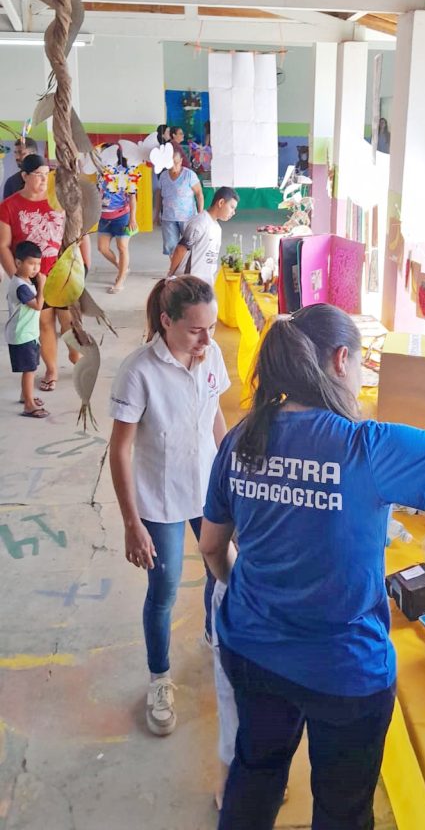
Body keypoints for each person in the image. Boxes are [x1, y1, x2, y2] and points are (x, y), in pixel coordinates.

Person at [200, 303, 425, 830]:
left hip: (253, 651)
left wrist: (257, 596)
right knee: (342, 808)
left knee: (254, 776)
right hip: (344, 671)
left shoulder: (242, 438)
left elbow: (212, 548)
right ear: (341, 360)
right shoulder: (365, 446)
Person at [109, 275, 230, 737]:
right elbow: (120, 450)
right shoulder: (139, 371)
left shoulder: (211, 355)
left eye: (213, 327)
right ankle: (160, 677)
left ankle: (215, 637)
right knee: (164, 589)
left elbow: (215, 414)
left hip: (207, 491)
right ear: (166, 321)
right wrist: (131, 522)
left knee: (222, 571)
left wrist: (230, 473)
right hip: (158, 500)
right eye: (196, 329)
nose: (207, 338)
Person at [0, 153, 78, 392]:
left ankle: (75, 354)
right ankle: (52, 369)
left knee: (69, 322)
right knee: (44, 324)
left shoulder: (59, 200)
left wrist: (82, 260)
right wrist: (18, 278)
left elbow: (75, 232)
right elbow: (3, 244)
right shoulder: (9, 206)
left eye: (47, 175)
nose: (45, 180)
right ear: (24, 176)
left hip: (62, 271)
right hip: (32, 277)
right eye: (38, 176)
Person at [5, 240, 48, 418]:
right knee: (29, 370)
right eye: (31, 264)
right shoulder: (21, 286)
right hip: (22, 335)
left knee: (30, 368)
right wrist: (43, 284)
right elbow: (38, 305)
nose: (35, 268)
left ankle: (26, 395)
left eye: (38, 264)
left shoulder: (24, 281)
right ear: (18, 263)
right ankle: (29, 405)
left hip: (28, 333)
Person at [167, 187, 239, 284]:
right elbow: (181, 249)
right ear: (221, 202)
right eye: (232, 207)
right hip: (189, 282)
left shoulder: (217, 228)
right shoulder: (200, 222)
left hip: (205, 283)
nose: (233, 212)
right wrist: (171, 274)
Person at [97, 147, 138, 294]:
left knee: (122, 247)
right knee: (102, 248)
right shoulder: (100, 171)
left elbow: (132, 197)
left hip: (122, 215)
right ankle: (122, 267)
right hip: (104, 216)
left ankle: (120, 281)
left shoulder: (126, 172)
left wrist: (132, 218)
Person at [154, 148, 204, 257]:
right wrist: (157, 214)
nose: (173, 166)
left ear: (181, 161)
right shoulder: (163, 176)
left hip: (188, 218)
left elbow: (199, 194)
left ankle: (187, 270)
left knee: (189, 246)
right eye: (170, 164)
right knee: (171, 247)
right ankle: (174, 271)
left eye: (176, 163)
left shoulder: (189, 175)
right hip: (168, 218)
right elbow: (158, 195)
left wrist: (200, 215)